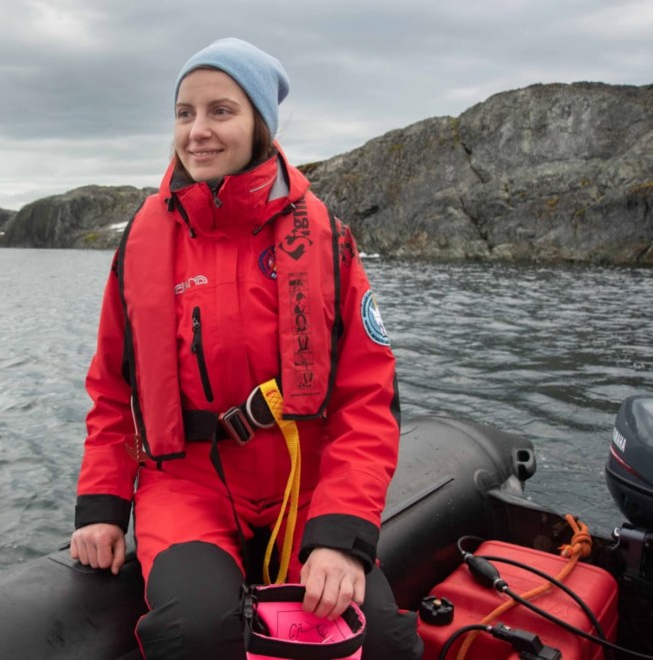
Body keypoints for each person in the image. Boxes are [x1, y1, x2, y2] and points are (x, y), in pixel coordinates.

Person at [70, 37, 423, 659]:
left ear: (259, 123)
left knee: (382, 641)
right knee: (193, 630)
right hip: (186, 486)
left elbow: (368, 399)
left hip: (305, 483)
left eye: (221, 111)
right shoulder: (141, 245)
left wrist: (340, 536)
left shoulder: (327, 241)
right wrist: (101, 506)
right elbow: (112, 391)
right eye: (185, 113)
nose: (197, 131)